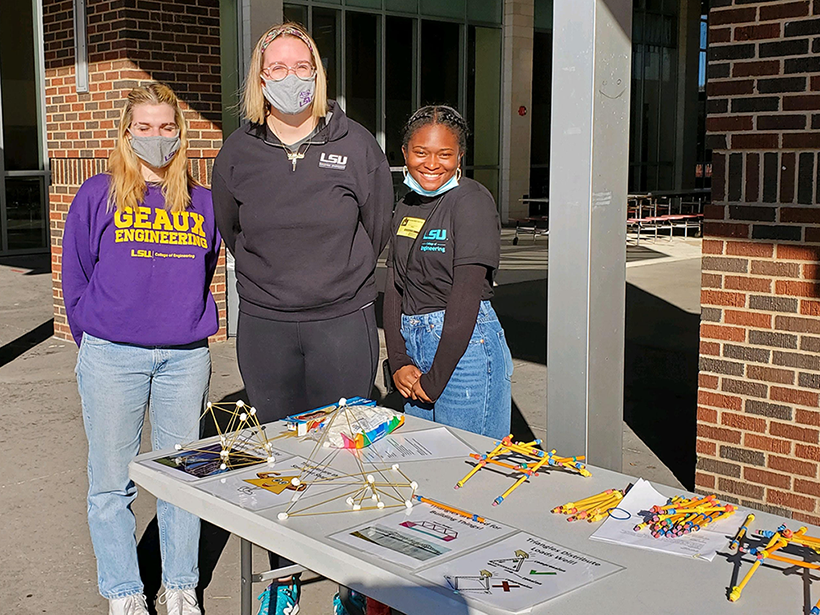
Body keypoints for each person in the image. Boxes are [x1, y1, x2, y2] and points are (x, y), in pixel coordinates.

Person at [211, 22, 392, 615]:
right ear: (260, 81)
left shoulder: (356, 143)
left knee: (344, 456)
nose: (291, 78)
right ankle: (282, 586)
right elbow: (231, 229)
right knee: (278, 461)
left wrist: (334, 282)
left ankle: (350, 587)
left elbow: (378, 225)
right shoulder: (239, 150)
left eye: (301, 66)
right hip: (267, 326)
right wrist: (276, 284)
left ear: (317, 72)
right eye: (277, 69)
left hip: (343, 322)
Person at [62, 83, 221, 615]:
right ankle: (125, 593)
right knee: (110, 484)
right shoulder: (98, 194)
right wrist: (96, 336)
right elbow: (76, 275)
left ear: (181, 133)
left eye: (167, 127)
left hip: (183, 360)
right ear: (127, 134)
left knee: (183, 476)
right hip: (112, 357)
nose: (157, 137)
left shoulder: (201, 200)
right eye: (145, 127)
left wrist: (184, 324)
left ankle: (179, 585)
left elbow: (207, 268)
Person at [384, 105, 513, 440]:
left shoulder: (471, 201)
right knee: (426, 466)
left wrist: (436, 377)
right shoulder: (407, 205)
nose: (431, 164)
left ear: (460, 157)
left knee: (470, 468)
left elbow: (466, 295)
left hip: (464, 349)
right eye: (420, 152)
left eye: (444, 154)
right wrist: (398, 361)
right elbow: (394, 284)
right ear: (404, 153)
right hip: (416, 349)